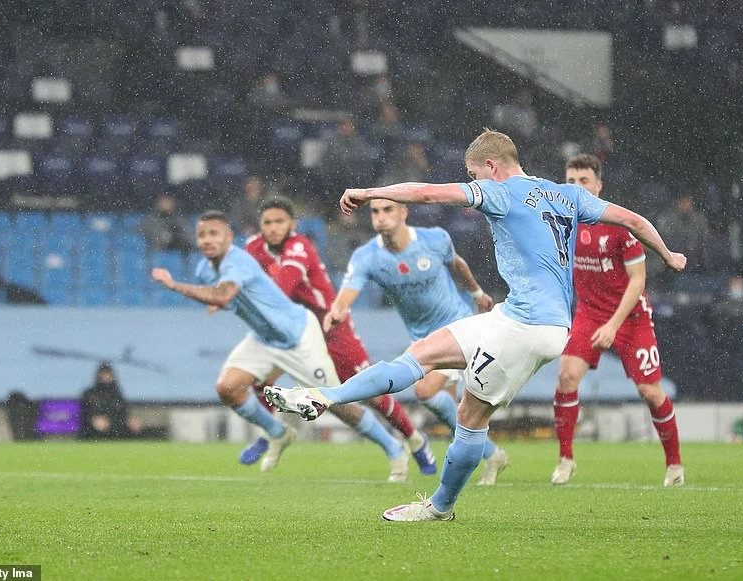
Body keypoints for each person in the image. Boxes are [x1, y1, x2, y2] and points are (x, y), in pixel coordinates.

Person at [265, 129, 686, 522]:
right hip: (515, 315)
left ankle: (440, 507)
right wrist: (668, 255)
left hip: (530, 327)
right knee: (421, 354)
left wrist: (369, 192)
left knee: (469, 415)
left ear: (491, 166)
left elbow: (426, 193)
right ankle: (322, 397)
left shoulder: (500, 191)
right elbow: (634, 221)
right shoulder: (566, 194)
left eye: (473, 174)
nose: (472, 182)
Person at [151, 210, 412, 480]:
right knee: (228, 387)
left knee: (335, 404)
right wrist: (219, 302)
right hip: (263, 338)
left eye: (214, 233)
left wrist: (176, 286)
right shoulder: (204, 270)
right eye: (202, 235)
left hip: (297, 336)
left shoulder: (237, 260)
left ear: (229, 237)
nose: (207, 240)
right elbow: (231, 297)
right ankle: (279, 432)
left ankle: (392, 447)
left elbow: (224, 294)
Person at [324, 196, 513, 486]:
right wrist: (337, 311)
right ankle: (492, 456)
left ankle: (485, 457)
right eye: (375, 211)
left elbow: (456, 264)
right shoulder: (367, 256)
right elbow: (349, 290)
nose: (381, 216)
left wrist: (476, 293)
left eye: (388, 210)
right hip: (421, 336)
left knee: (425, 391)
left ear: (404, 212)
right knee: (453, 413)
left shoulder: (434, 239)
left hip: (455, 325)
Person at [242, 196, 435, 475]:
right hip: (293, 331)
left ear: (292, 224)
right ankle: (274, 432)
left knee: (372, 393)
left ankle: (414, 439)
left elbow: (282, 289)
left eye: (279, 222)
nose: (273, 228)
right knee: (258, 377)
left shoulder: (299, 247)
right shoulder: (252, 248)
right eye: (267, 222)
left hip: (329, 327)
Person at [550, 153, 684, 487]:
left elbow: (638, 281)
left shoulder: (619, 223)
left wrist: (612, 325)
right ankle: (565, 459)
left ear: (598, 186)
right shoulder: (562, 223)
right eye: (570, 181)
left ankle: (674, 464)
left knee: (649, 392)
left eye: (584, 181)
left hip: (631, 317)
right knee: (566, 376)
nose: (576, 187)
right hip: (588, 314)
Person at [78, 362, 142, 440]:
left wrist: (130, 421)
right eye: (104, 374)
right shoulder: (90, 394)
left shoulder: (117, 394)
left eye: (108, 374)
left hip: (116, 430)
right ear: (99, 375)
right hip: (93, 433)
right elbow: (84, 414)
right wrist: (93, 420)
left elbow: (124, 413)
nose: (106, 377)